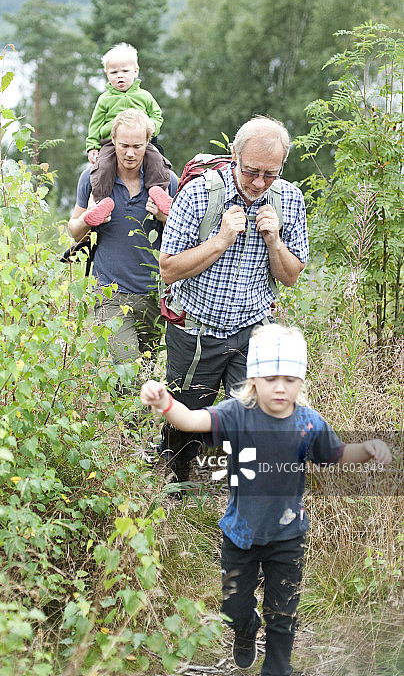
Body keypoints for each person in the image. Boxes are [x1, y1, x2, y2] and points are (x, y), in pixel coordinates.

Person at [140, 324, 392, 676]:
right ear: (253, 377)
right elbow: (191, 420)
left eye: (290, 379)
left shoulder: (308, 424)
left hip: (287, 536)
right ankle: (245, 629)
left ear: (301, 380)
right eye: (271, 377)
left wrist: (366, 450)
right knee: (233, 607)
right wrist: (165, 401)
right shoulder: (236, 414)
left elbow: (337, 454)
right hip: (239, 533)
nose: (280, 387)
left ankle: (277, 667)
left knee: (283, 612)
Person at [156, 115, 310, 483]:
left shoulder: (288, 198)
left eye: (270, 174)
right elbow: (168, 269)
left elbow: (290, 276)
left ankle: (245, 489)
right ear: (233, 155)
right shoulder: (199, 194)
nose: (259, 183)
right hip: (197, 329)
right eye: (251, 171)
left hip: (253, 330)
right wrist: (221, 240)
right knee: (187, 415)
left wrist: (275, 242)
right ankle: (176, 476)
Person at [69, 108, 178, 382]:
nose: (130, 153)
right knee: (128, 368)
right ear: (113, 142)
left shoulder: (167, 182)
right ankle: (132, 423)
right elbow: (73, 231)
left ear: (148, 144)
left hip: (154, 292)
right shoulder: (92, 179)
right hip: (109, 292)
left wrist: (165, 217)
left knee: (146, 371)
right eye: (124, 146)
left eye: (137, 147)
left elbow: (184, 240)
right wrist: (88, 219)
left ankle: (136, 425)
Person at [85, 42, 172, 215]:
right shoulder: (105, 99)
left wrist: (152, 127)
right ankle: (100, 202)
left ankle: (158, 193)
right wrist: (92, 146)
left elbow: (157, 115)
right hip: (112, 142)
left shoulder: (144, 96)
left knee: (157, 161)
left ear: (135, 71)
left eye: (125, 71)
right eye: (114, 72)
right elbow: (95, 124)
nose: (120, 76)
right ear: (107, 74)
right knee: (103, 167)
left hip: (141, 140)